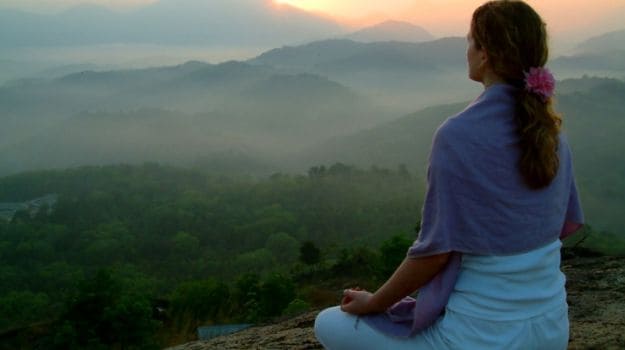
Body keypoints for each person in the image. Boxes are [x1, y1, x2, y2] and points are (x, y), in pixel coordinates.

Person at [314, 1, 584, 349]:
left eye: (471, 41)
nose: (467, 50)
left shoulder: (457, 135)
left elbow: (433, 254)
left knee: (328, 323)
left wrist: (375, 302)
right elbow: (559, 225)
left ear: (485, 54)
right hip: (551, 330)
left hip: (481, 339)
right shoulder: (552, 133)